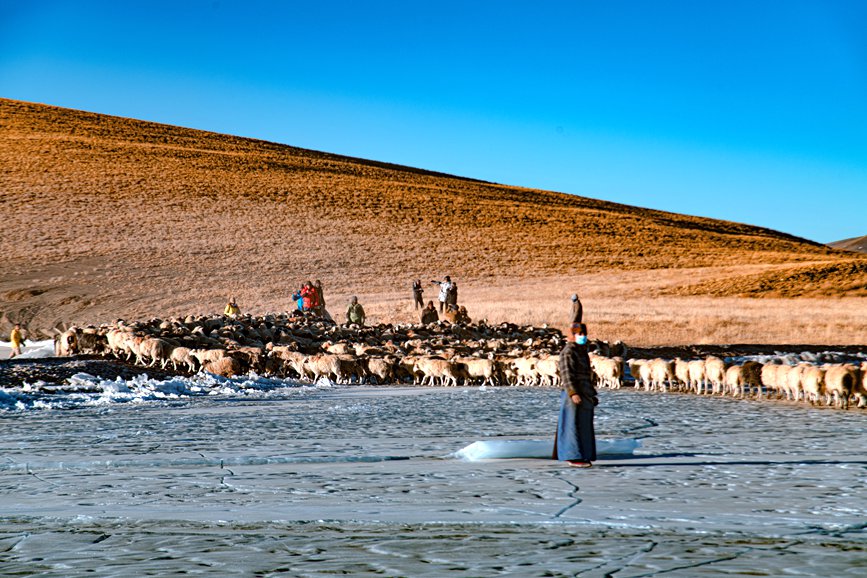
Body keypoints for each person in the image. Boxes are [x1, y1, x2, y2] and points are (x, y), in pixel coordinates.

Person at [554, 322, 598, 468]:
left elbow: (587, 374)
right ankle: (572, 455)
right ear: (572, 336)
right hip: (574, 393)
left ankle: (584, 454)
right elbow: (567, 375)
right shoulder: (568, 352)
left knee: (584, 425)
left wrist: (591, 394)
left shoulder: (581, 351)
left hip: (585, 391)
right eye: (580, 334)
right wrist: (573, 393)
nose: (583, 337)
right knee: (572, 424)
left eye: (584, 334)